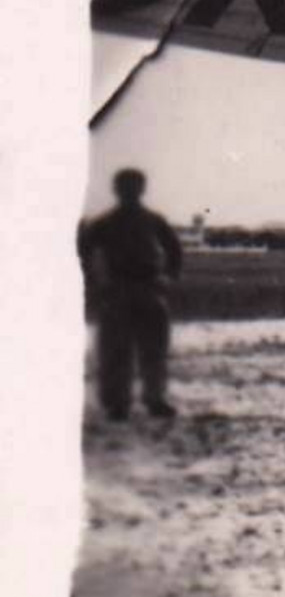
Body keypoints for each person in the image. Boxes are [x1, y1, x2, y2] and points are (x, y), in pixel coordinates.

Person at [78, 168, 183, 420]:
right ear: (117, 190)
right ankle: (117, 404)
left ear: (142, 189)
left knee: (154, 348)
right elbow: (83, 253)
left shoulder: (154, 220)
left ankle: (155, 399)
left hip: (150, 289)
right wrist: (93, 282)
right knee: (115, 349)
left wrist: (168, 278)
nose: (130, 191)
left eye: (135, 186)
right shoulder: (103, 223)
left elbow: (174, 250)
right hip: (117, 290)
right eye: (126, 187)